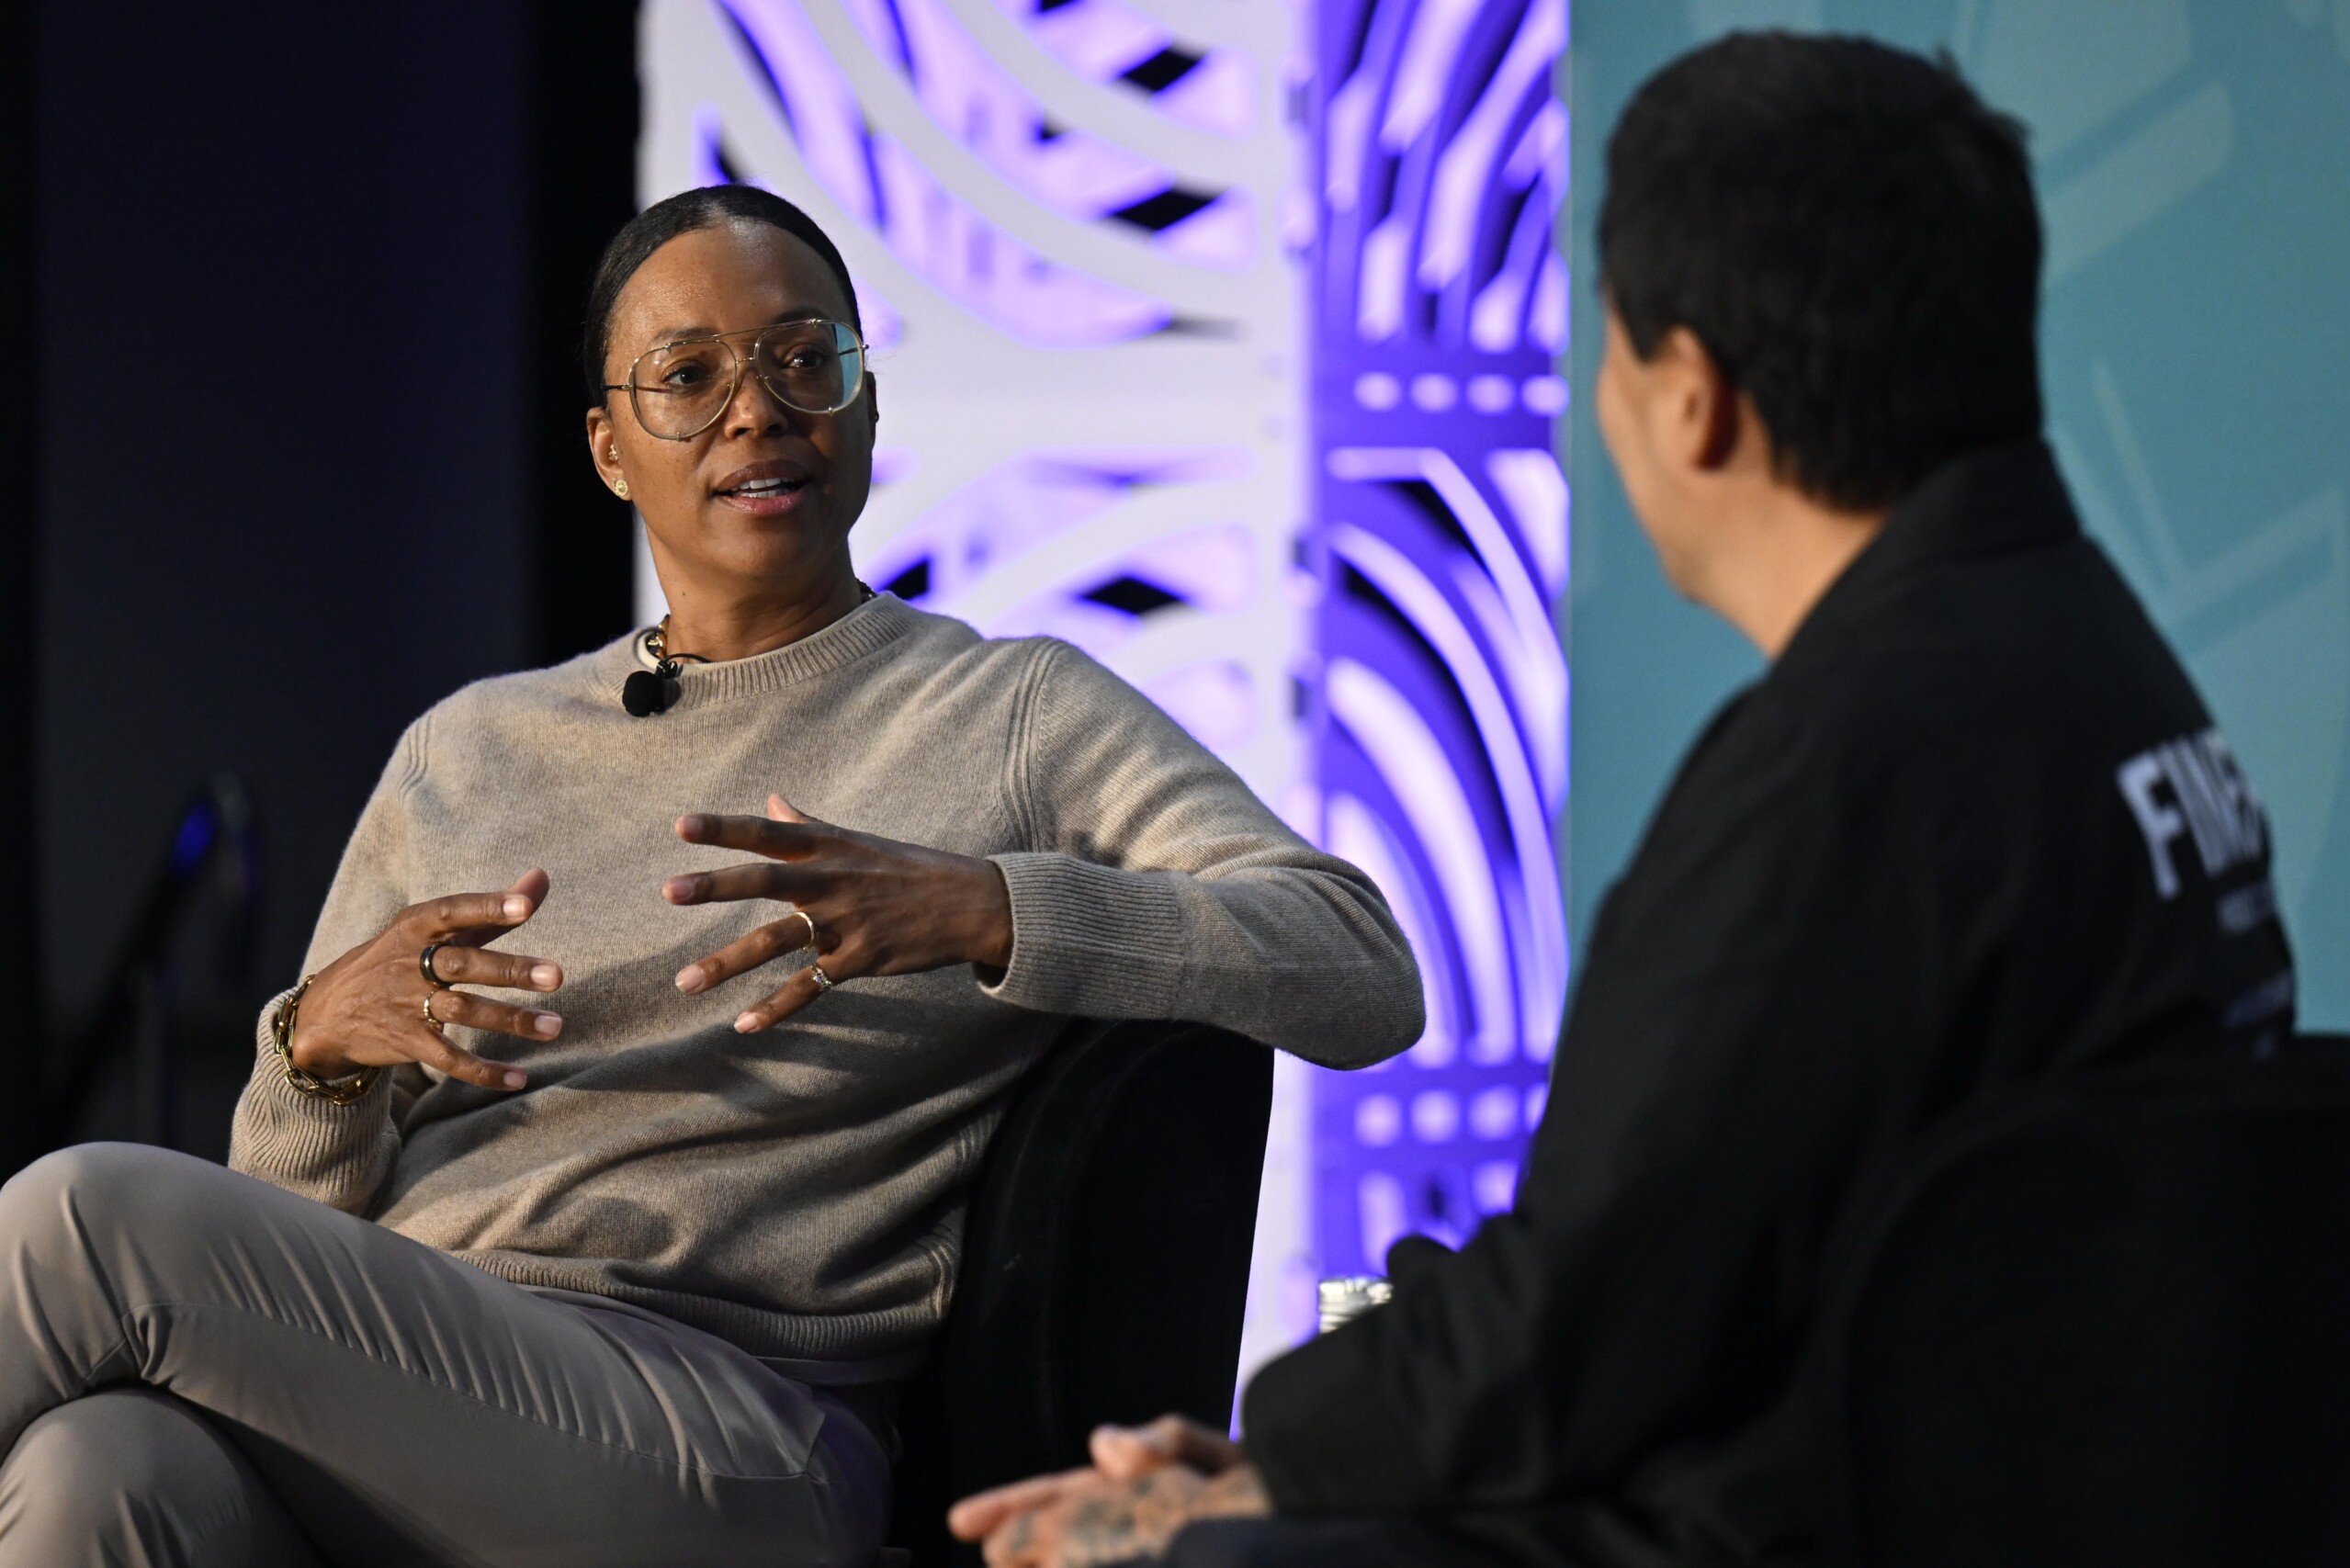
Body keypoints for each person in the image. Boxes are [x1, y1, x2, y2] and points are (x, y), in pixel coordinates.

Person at [952, 32, 2299, 1568]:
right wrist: (1324, 1454)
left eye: (1607, 346)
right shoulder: (2107, 671)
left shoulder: (1847, 773)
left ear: (1693, 401)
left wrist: (1270, 1474)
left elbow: (1581, 1319)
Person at [0, 185, 1424, 1567]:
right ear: (612, 450)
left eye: (807, 360)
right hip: (424, 1387)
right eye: (688, 374)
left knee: (83, 1218)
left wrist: (992, 907)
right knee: (97, 1474)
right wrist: (315, 1057)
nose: (759, 409)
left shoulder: (1011, 712)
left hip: (728, 1435)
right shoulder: (472, 748)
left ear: (868, 401)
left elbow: (1359, 964)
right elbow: (295, 1229)